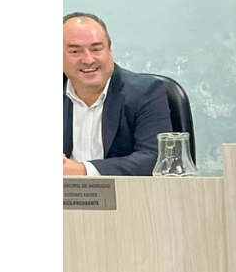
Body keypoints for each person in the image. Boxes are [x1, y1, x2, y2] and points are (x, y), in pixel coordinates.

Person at [63, 13, 172, 177]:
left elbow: (155, 158)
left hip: (126, 192)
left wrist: (82, 170)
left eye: (96, 49)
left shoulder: (146, 92)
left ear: (109, 50)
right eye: (75, 51)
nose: (88, 59)